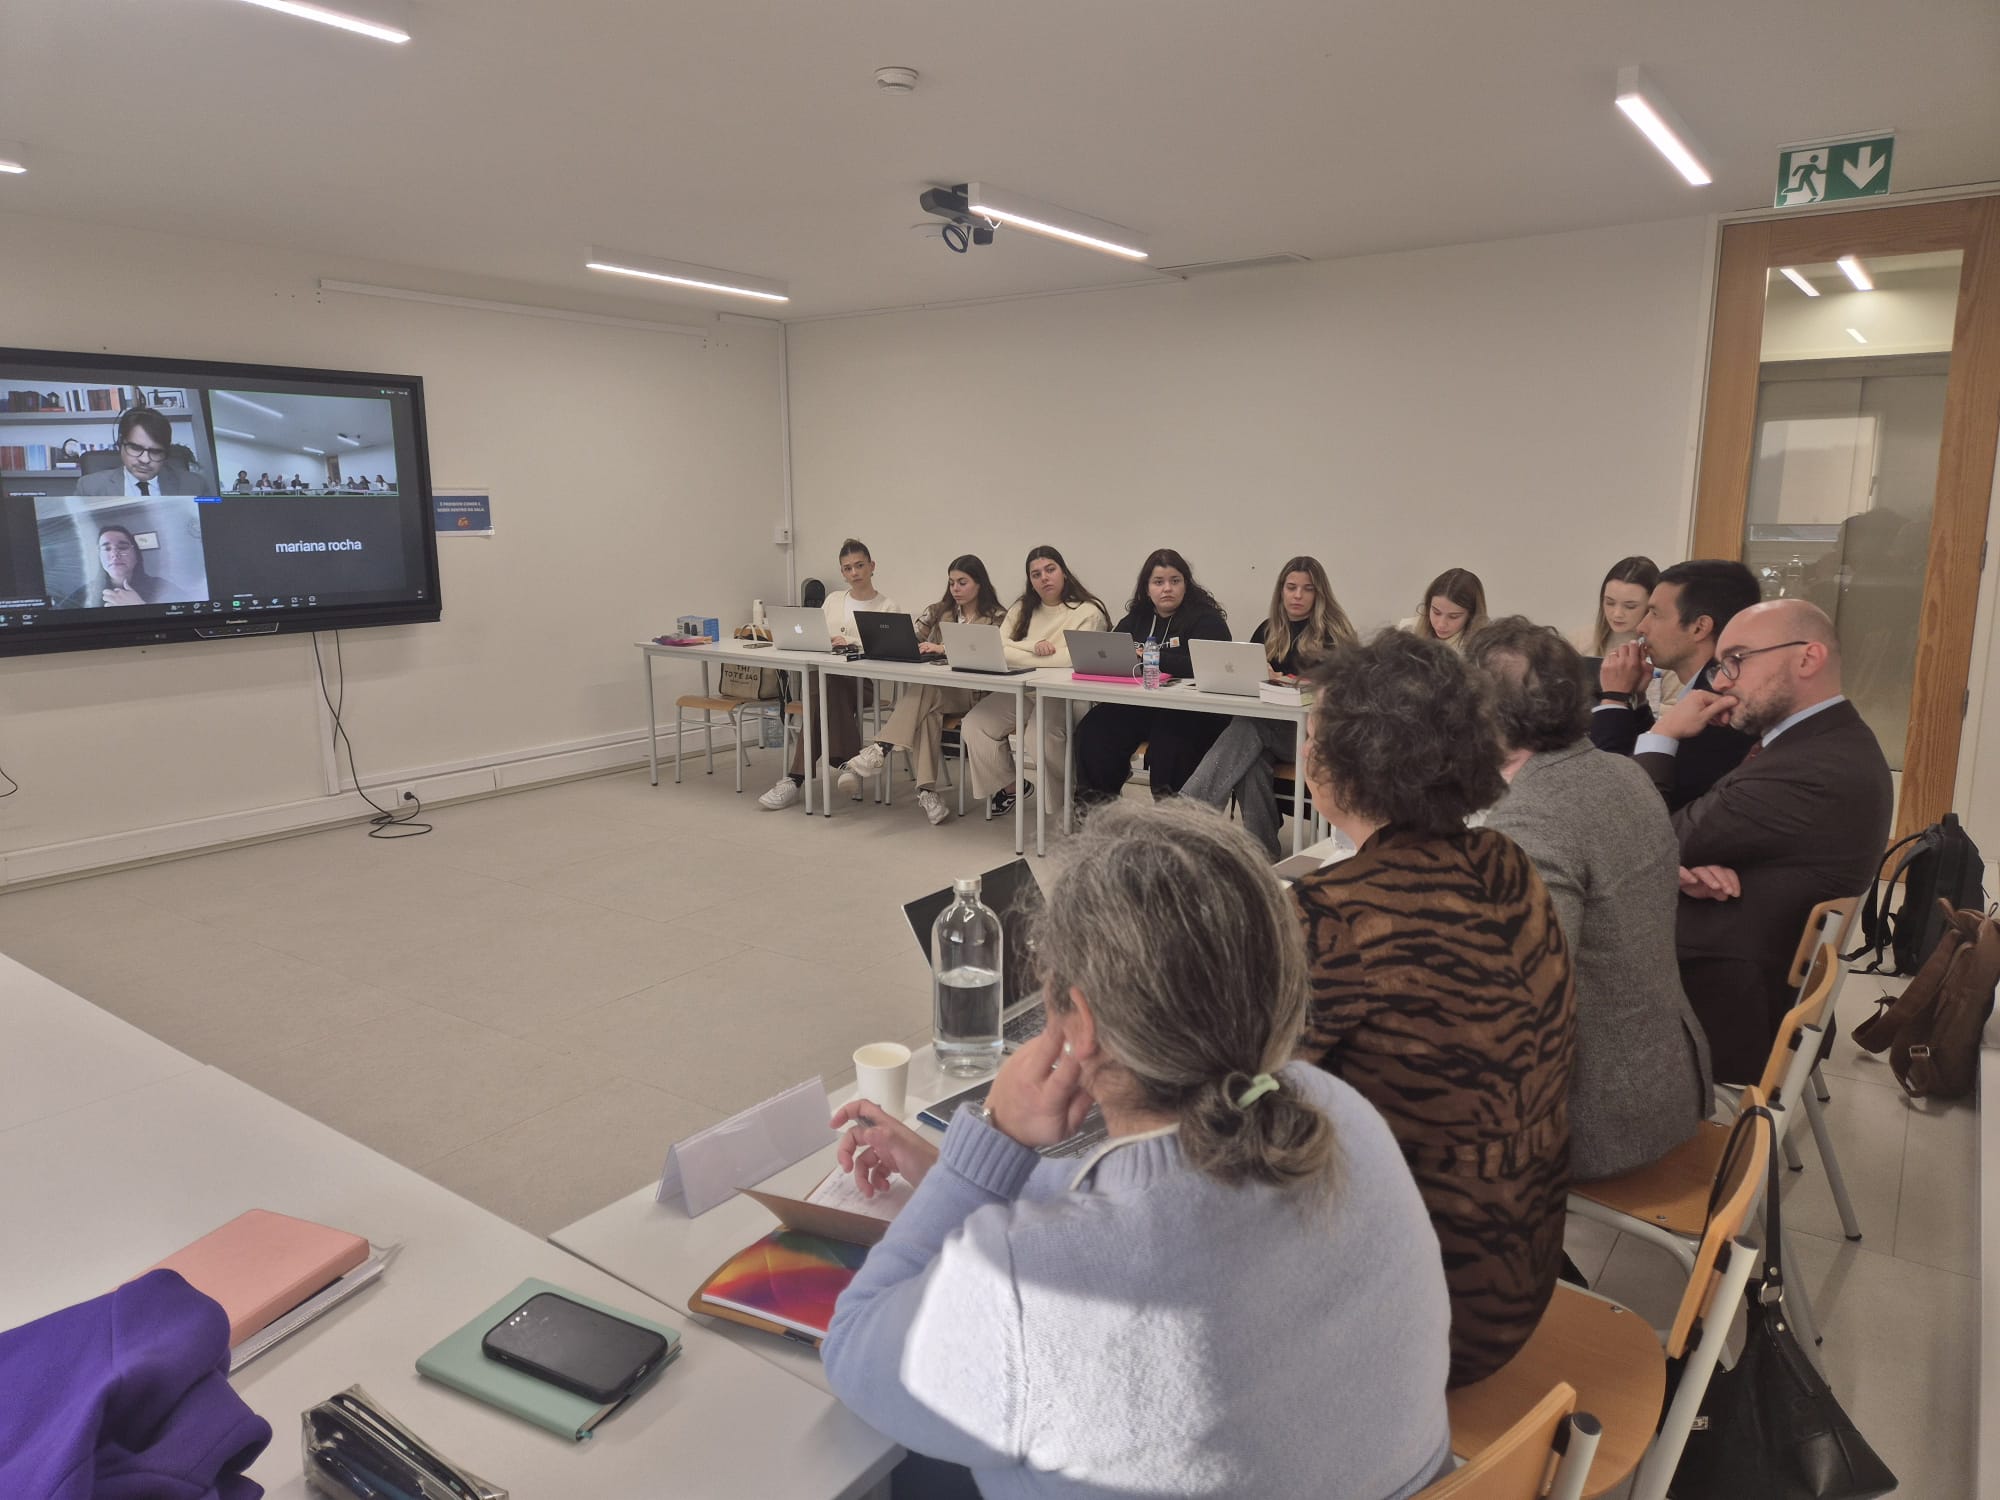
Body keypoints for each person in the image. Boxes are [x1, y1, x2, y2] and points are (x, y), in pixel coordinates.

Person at [821, 800, 1454, 1500]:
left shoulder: (1033, 1290)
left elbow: (855, 1350)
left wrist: (984, 1151)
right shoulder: (1336, 1112)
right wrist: (955, 1172)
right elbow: (1150, 1215)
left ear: (1079, 1025)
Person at [1291, 628, 1574, 1388]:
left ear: (1338, 763)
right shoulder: (1507, 863)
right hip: (1525, 1269)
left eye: (1313, 733)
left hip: (1425, 1318)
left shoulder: (1332, 911)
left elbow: (1242, 1098)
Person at [1468, 617, 1712, 1182]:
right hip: (1665, 1069)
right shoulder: (1621, 774)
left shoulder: (1534, 822)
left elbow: (1520, 1008)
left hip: (1604, 1112)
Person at [1640, 598, 1893, 1084]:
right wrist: (1676, 868)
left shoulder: (1810, 770)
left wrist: (1663, 734)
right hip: (1747, 962)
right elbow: (1671, 843)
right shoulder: (1820, 742)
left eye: (1736, 659)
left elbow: (1641, 842)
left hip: (1723, 999)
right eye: (1719, 665)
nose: (1720, 681)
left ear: (1807, 658)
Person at [1179, 555, 1359, 859]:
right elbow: (1247, 679)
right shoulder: (1268, 629)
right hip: (1270, 733)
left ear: (1320, 594)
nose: (1297, 596)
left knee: (1250, 727)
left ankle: (1188, 812)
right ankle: (1261, 853)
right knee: (1252, 759)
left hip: (1316, 736)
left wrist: (1295, 682)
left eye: (1307, 589)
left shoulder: (1334, 634)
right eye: (1291, 587)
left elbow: (1349, 693)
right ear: (1281, 591)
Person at [837, 555, 1006, 824]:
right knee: (928, 708)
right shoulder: (938, 611)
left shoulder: (997, 617)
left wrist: (942, 649)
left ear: (980, 584)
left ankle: (879, 748)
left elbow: (992, 653)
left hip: (975, 694)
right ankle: (928, 793)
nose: (955, 589)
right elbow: (909, 639)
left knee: (926, 690)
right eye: (951, 583)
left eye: (962, 582)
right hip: (939, 694)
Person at [1592, 559, 1761, 810]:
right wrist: (1636, 701)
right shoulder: (1708, 683)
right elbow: (1659, 757)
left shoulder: (1719, 707)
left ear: (1699, 627)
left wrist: (1614, 699)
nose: (1641, 626)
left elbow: (1618, 800)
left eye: (1655, 614)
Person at [1071, 548, 1232, 807]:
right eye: (1158, 582)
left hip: (1190, 711)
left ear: (1186, 585)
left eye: (1174, 581)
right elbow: (1113, 651)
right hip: (1141, 706)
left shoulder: (1207, 620)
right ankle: (1097, 810)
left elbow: (1209, 665)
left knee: (1170, 744)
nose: (1166, 588)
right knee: (1094, 730)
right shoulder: (1136, 619)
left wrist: (1148, 656)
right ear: (1147, 589)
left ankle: (1173, 819)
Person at [962, 546, 1109, 818]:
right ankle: (1012, 787)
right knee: (975, 725)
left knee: (1038, 736)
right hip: (1024, 691)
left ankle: (1069, 803)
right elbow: (999, 648)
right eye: (1036, 574)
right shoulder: (1022, 608)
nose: (1044, 578)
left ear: (1063, 572)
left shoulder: (1088, 611)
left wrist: (1022, 654)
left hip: (1066, 696)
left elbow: (1074, 659)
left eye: (1050, 570)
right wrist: (1033, 647)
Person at [758, 539, 900, 810]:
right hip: (828, 677)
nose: (854, 573)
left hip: (864, 683)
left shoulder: (887, 606)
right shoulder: (833, 600)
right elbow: (817, 634)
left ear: (872, 566)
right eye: (847, 568)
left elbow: (888, 649)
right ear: (842, 572)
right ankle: (848, 764)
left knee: (820, 690)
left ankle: (794, 779)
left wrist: (853, 644)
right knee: (824, 686)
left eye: (859, 566)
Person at [76, 410, 196, 497]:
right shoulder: (89, 488)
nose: (144, 460)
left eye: (155, 451)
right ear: (120, 443)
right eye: (135, 448)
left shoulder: (196, 486)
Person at [1397, 567, 1488, 652]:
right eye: (1436, 612)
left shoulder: (1479, 651)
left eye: (1453, 616)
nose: (1441, 624)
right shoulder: (1407, 631)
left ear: (1471, 615)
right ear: (1428, 606)